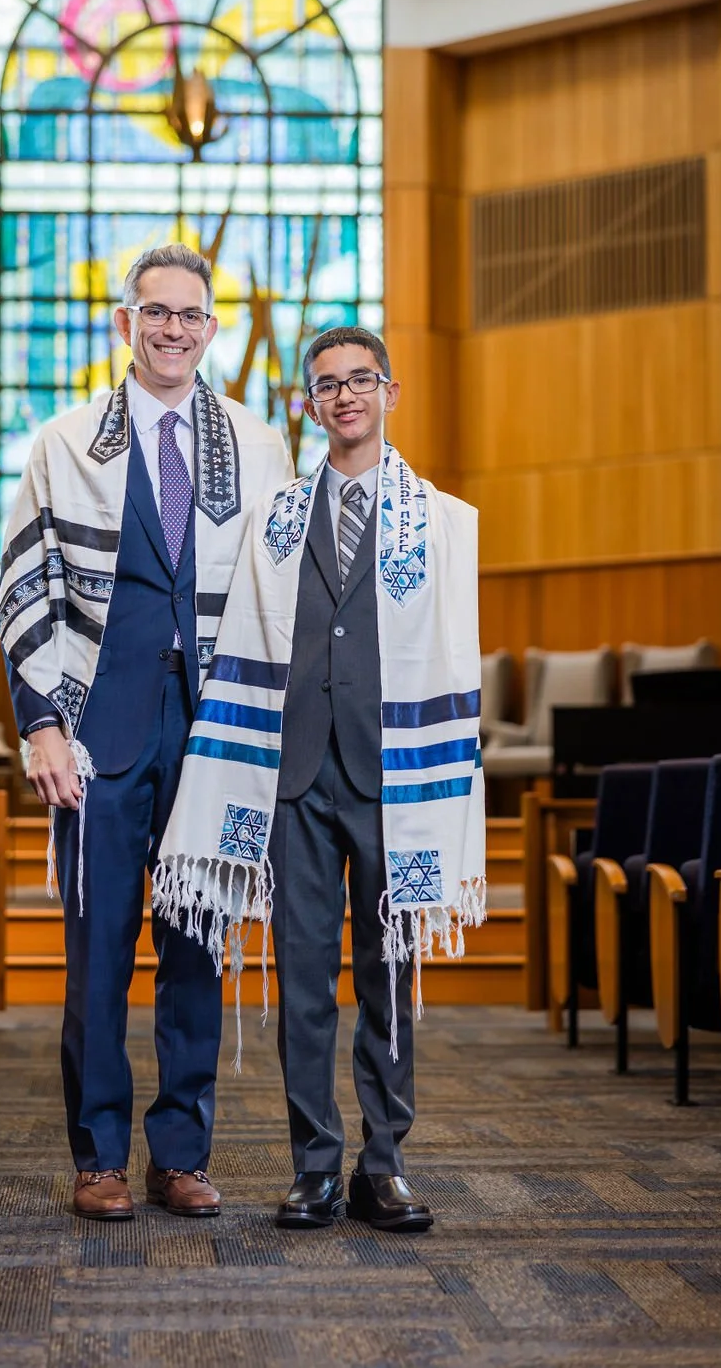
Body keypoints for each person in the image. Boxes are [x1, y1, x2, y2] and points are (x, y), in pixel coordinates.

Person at [153, 325, 485, 1232]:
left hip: (395, 779)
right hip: (293, 777)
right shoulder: (277, 518)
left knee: (388, 977)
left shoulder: (445, 525)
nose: (346, 396)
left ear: (390, 391)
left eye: (361, 380)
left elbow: (456, 659)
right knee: (304, 979)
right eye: (329, 385)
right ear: (310, 403)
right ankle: (314, 1166)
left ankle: (385, 1164)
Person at [0, 244, 292, 1222]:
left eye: (190, 315)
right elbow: (23, 594)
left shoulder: (255, 447)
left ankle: (180, 1150)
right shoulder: (66, 443)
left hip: (210, 732)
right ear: (126, 322)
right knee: (98, 953)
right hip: (101, 729)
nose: (172, 329)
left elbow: (277, 600)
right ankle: (97, 1154)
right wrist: (41, 724)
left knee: (196, 945)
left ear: (212, 328)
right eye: (155, 312)